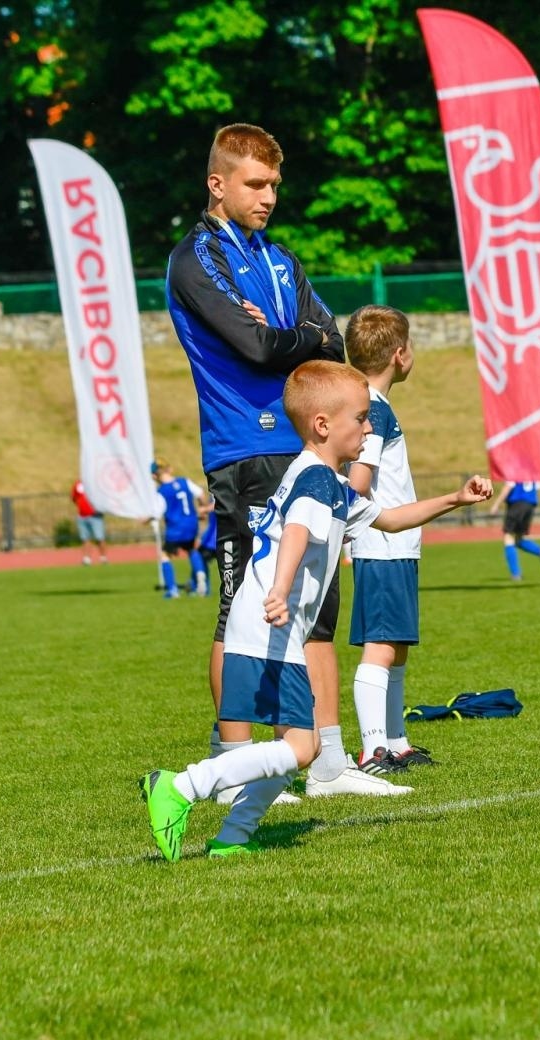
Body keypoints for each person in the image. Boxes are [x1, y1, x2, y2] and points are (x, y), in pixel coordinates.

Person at [137, 361, 492, 861]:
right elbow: (298, 533)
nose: (369, 429)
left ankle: (233, 839)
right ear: (323, 425)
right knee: (303, 749)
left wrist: (455, 499)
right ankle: (180, 786)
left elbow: (387, 519)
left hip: (270, 627)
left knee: (289, 757)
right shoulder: (318, 482)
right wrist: (281, 589)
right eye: (362, 419)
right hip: (270, 626)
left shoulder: (329, 481)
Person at [166, 121, 346, 792]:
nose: (268, 197)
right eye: (255, 184)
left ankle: (326, 763)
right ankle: (229, 760)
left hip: (303, 447)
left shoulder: (280, 259)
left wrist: (289, 335)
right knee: (241, 606)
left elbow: (333, 341)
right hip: (244, 449)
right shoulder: (196, 259)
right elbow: (255, 349)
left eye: (274, 185)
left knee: (313, 606)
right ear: (218, 184)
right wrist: (295, 338)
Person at [342, 305, 437, 775]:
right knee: (380, 645)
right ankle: (373, 749)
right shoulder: (372, 410)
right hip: (382, 544)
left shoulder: (370, 403)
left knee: (396, 643)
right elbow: (359, 480)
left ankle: (395, 741)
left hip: (396, 546)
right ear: (400, 354)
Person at [151, 460, 206, 598]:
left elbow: (157, 512)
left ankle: (172, 590)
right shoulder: (184, 482)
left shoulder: (162, 491)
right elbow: (200, 494)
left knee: (164, 555)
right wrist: (203, 509)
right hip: (191, 523)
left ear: (154, 475)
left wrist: (145, 519)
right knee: (191, 549)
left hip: (175, 527)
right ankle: (201, 581)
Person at [489, 481, 540, 580]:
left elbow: (508, 486)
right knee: (518, 539)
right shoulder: (533, 472)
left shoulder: (515, 469)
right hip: (530, 505)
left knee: (508, 538)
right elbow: (537, 487)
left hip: (517, 504)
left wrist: (496, 504)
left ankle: (516, 574)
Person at [71, 480, 109, 565]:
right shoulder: (78, 484)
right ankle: (87, 558)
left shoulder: (96, 482)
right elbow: (74, 498)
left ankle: (103, 558)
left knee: (99, 537)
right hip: (82, 516)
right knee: (85, 538)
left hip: (95, 516)